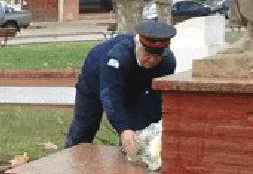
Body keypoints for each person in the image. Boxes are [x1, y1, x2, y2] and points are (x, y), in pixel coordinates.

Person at [64, 20, 178, 156]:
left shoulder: (167, 62)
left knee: (137, 134)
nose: (152, 61)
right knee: (84, 128)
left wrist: (141, 129)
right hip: (93, 83)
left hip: (134, 88)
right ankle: (72, 163)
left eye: (156, 57)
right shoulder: (117, 56)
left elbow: (156, 99)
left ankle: (127, 166)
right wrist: (123, 128)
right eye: (147, 56)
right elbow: (110, 95)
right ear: (139, 46)